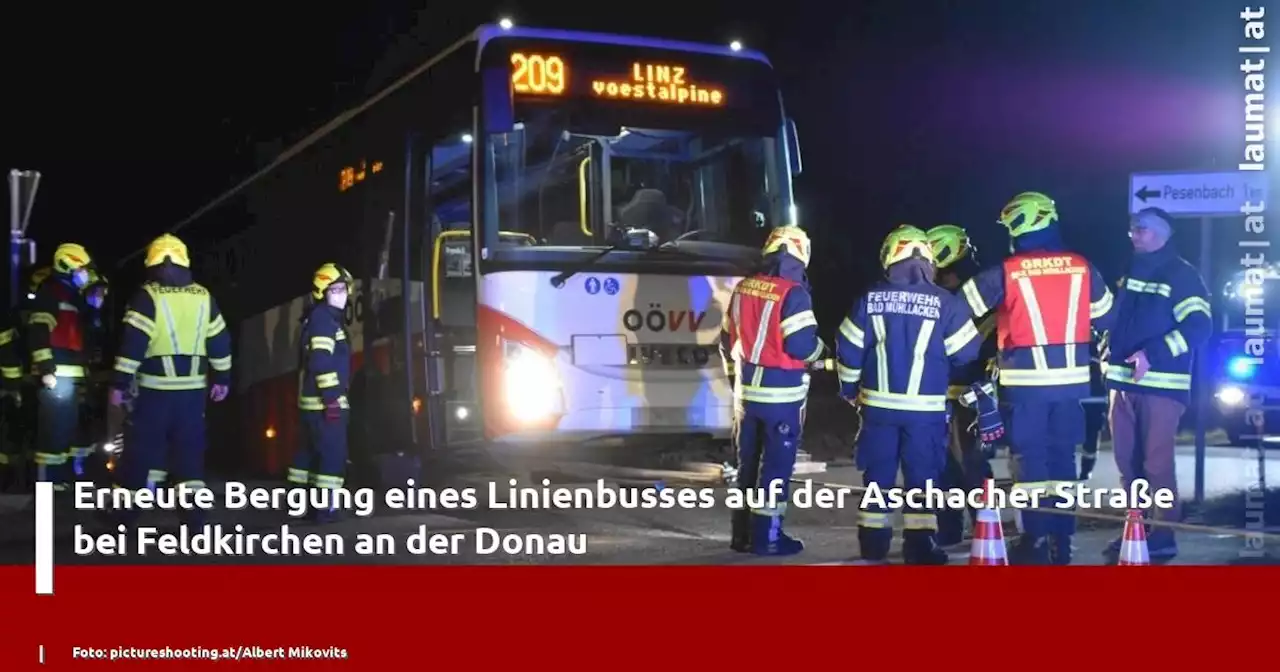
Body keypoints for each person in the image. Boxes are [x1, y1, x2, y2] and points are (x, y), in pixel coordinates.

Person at [959, 192, 1114, 564]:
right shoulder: (1082, 267)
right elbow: (1107, 319)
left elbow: (957, 310)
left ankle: (1035, 541)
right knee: (1063, 464)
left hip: (1025, 388)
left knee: (1029, 467)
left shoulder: (1007, 272)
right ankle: (1064, 542)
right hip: (1071, 388)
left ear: (1018, 226)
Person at [835, 225, 983, 564]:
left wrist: (848, 389)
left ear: (890, 256)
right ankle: (919, 546)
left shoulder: (869, 299)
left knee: (878, 477)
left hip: (877, 410)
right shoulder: (947, 304)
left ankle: (873, 545)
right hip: (926, 412)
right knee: (922, 477)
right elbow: (966, 352)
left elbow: (849, 350)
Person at [1102, 207, 1211, 562]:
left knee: (1155, 465)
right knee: (1127, 464)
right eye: (1132, 228)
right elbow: (1120, 319)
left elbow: (1199, 327)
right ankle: (1135, 530)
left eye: (1141, 229)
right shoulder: (1129, 270)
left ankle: (1163, 534)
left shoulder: (1182, 275)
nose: (1133, 234)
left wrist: (1153, 353)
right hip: (1122, 384)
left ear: (1162, 234)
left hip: (1161, 387)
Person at [110, 234, 231, 528]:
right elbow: (220, 341)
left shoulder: (147, 297)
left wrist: (119, 384)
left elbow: (132, 347)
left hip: (155, 393)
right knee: (189, 455)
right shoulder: (204, 296)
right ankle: (195, 518)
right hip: (192, 394)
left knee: (140, 452)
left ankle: (125, 515)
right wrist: (223, 379)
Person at [718, 226, 825, 555]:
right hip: (782, 397)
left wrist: (737, 379)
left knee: (746, 465)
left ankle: (741, 535)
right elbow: (801, 345)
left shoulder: (743, 288)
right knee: (776, 469)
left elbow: (725, 340)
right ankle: (768, 538)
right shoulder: (794, 293)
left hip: (746, 397)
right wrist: (820, 353)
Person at [928, 224, 999, 545]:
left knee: (971, 464)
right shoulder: (958, 291)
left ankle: (983, 526)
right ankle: (952, 528)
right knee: (945, 466)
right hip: (944, 393)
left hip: (967, 394)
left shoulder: (971, 295)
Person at [288, 263, 355, 523]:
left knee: (307, 457)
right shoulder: (324, 320)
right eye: (335, 289)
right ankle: (327, 509)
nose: (342, 294)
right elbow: (320, 362)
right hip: (325, 404)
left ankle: (302, 506)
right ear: (321, 292)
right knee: (332, 457)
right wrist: (331, 399)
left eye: (344, 289)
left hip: (312, 405)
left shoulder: (318, 318)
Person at [26, 243, 96, 491]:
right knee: (53, 431)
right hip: (56, 375)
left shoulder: (70, 294)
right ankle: (47, 483)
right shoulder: (52, 291)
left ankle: (61, 478)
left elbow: (77, 334)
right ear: (67, 264)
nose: (85, 273)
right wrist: (46, 368)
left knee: (66, 428)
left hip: (70, 375)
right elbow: (39, 330)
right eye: (81, 268)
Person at [69, 269, 110, 478]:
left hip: (93, 379)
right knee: (78, 422)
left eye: (103, 293)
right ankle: (76, 466)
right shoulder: (79, 315)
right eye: (97, 292)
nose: (100, 297)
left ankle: (90, 464)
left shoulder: (99, 317)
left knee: (94, 423)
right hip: (78, 378)